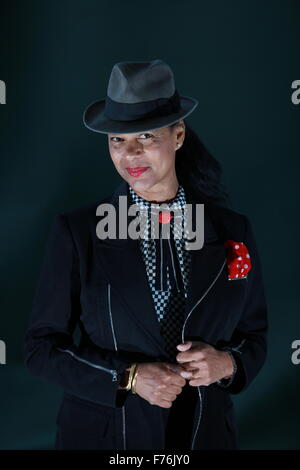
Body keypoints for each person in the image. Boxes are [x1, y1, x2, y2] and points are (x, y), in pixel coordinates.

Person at [23, 59, 268, 450]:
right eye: (117, 140)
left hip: (204, 435)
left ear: (179, 135)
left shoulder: (231, 231)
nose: (130, 154)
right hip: (108, 438)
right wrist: (131, 377)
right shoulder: (78, 231)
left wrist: (228, 363)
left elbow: (254, 335)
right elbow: (41, 349)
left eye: (147, 137)